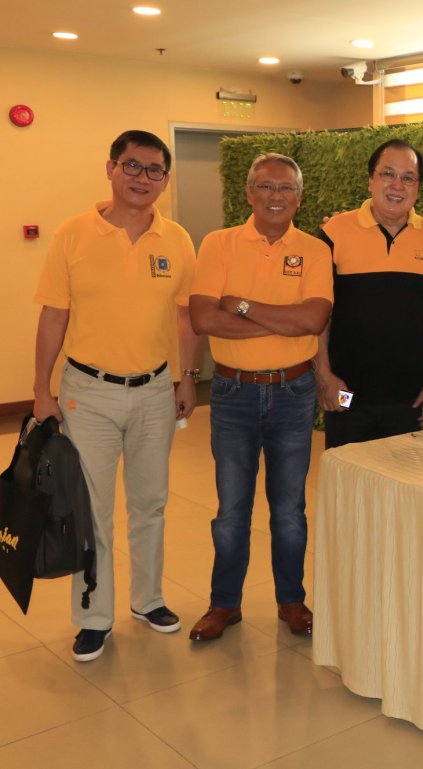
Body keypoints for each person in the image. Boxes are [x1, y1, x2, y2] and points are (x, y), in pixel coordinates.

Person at [32, 130, 199, 662]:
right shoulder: (73, 234)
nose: (142, 178)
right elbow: (53, 315)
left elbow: (185, 316)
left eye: (154, 170)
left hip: (154, 390)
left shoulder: (177, 239)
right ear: (110, 168)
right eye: (132, 166)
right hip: (88, 393)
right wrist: (41, 389)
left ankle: (148, 600)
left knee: (150, 503)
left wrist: (187, 376)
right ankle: (93, 616)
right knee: (92, 509)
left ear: (165, 180)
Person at [186, 153, 333, 641]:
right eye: (266, 186)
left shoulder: (314, 250)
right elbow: (203, 318)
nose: (276, 196)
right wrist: (282, 322)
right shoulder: (219, 243)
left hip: (294, 392)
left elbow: (313, 320)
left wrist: (243, 306)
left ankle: (291, 600)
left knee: (289, 509)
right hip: (233, 394)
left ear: (299, 198)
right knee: (232, 509)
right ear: (249, 193)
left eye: (286, 188)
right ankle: (224, 604)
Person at [315, 138, 423, 449]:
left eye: (408, 178)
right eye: (387, 174)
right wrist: (323, 374)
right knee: (346, 473)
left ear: (418, 187)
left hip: (407, 396)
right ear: (370, 180)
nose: (397, 185)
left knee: (400, 478)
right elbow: (319, 311)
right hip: (345, 391)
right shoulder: (335, 232)